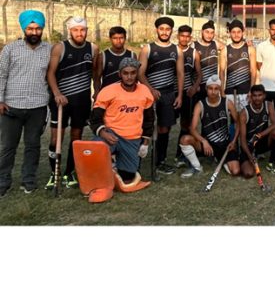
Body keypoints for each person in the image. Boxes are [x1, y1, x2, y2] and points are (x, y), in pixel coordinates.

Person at [0, 10, 51, 197]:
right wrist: (0, 100)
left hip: (37, 107)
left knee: (32, 146)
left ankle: (28, 181)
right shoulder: (10, 49)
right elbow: (1, 75)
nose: (34, 32)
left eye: (38, 28)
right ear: (24, 29)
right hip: (11, 107)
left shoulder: (49, 50)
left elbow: (52, 76)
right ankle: (3, 182)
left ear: (42, 29)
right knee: (7, 147)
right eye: (30, 29)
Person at [46, 16, 99, 188]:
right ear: (70, 31)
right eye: (75, 30)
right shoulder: (59, 48)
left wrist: (96, 93)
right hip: (60, 101)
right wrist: (57, 93)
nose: (79, 33)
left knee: (76, 138)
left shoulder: (93, 49)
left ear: (87, 30)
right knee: (56, 139)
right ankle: (54, 174)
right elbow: (50, 73)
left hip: (82, 102)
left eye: (82, 30)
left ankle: (69, 173)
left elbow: (95, 74)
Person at [89, 57, 155, 187]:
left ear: (137, 73)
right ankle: (107, 166)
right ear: (119, 74)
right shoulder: (108, 91)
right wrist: (103, 133)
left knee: (128, 177)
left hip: (132, 138)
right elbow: (94, 118)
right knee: (98, 150)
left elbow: (149, 120)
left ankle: (116, 166)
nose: (129, 77)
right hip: (111, 134)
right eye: (125, 73)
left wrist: (145, 143)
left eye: (133, 73)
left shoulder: (145, 92)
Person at [137, 16, 184, 175]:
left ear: (172, 31)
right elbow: (140, 73)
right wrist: (150, 89)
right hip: (148, 95)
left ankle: (160, 161)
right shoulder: (147, 49)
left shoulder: (177, 50)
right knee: (144, 128)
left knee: (164, 128)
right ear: (156, 30)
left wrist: (179, 96)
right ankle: (135, 160)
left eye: (168, 29)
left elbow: (180, 74)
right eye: (161, 29)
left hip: (168, 94)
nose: (164, 32)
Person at [178, 75, 240, 178]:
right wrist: (203, 141)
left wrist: (233, 141)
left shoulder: (227, 103)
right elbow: (192, 129)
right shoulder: (200, 105)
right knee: (185, 139)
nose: (213, 91)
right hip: (208, 145)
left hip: (224, 145)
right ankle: (197, 167)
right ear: (206, 89)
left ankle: (220, 158)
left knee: (235, 171)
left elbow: (238, 123)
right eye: (210, 88)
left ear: (220, 89)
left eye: (216, 89)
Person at [239, 84, 275, 176]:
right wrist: (250, 156)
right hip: (249, 144)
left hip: (262, 141)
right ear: (251, 96)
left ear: (264, 95)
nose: (257, 98)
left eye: (259, 95)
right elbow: (242, 140)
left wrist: (259, 135)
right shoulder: (244, 112)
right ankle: (251, 157)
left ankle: (272, 162)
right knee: (248, 173)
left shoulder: (269, 105)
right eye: (254, 95)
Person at [175, 25, 202, 166]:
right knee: (166, 126)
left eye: (187, 36)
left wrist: (194, 87)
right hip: (172, 93)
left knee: (186, 124)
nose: (184, 38)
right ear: (178, 36)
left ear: (190, 37)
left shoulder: (194, 53)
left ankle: (181, 154)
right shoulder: (172, 50)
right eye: (182, 35)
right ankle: (161, 157)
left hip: (187, 94)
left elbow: (199, 74)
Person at [224, 19, 257, 113]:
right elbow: (222, 72)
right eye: (233, 32)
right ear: (229, 33)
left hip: (246, 92)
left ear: (243, 32)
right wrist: (222, 91)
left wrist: (252, 90)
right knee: (231, 121)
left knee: (244, 120)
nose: (236, 34)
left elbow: (253, 71)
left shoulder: (250, 49)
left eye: (239, 32)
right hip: (229, 91)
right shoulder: (225, 50)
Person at [194, 20, 226, 101]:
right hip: (199, 86)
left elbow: (229, 48)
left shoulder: (215, 44)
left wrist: (246, 44)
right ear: (202, 32)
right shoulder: (194, 45)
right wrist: (194, 85)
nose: (209, 35)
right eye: (207, 32)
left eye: (212, 33)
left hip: (212, 86)